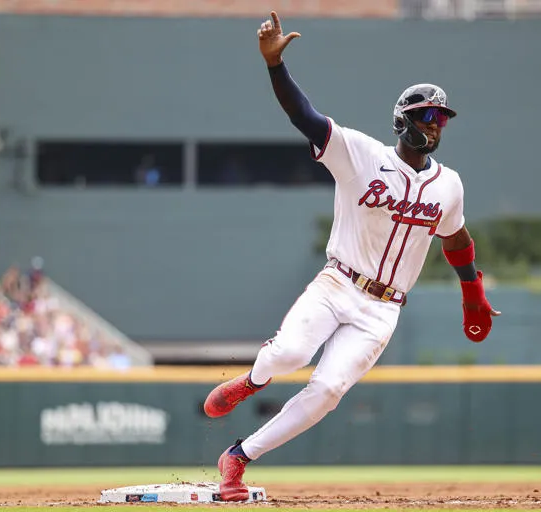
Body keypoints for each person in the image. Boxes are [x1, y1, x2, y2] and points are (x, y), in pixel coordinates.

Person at [204, 11, 500, 501]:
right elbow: (305, 117)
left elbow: (456, 238)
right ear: (403, 119)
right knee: (292, 355)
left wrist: (472, 292)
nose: (436, 124)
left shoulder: (449, 184)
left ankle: (237, 458)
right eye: (428, 114)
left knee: (327, 392)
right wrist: (276, 67)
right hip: (338, 282)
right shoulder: (359, 153)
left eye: (442, 117)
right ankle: (253, 380)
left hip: (383, 309)